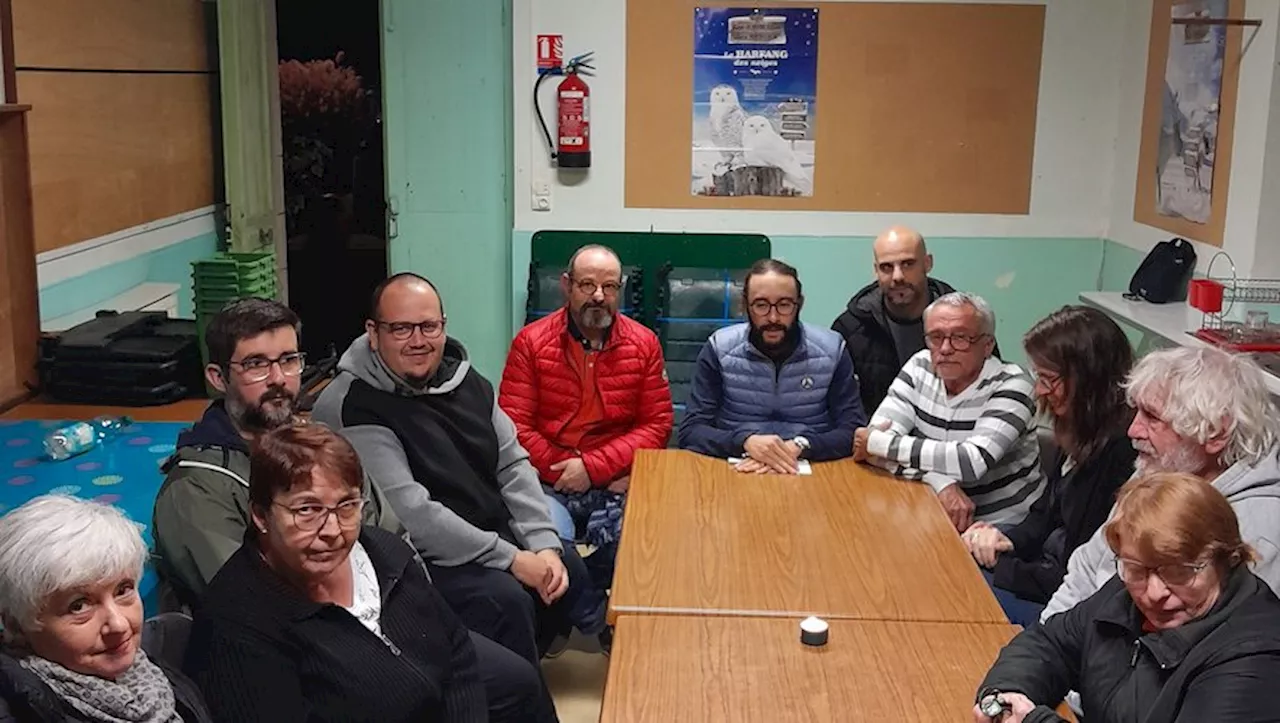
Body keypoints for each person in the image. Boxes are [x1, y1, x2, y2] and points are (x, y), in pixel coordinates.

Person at [313, 273, 609, 667]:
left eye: (428, 326)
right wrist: (512, 559)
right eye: (400, 328)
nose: (418, 341)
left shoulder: (467, 380)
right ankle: (510, 693)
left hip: (483, 528)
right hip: (419, 554)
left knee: (563, 562)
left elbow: (513, 465)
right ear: (373, 332)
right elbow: (413, 513)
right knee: (504, 599)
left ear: (443, 326)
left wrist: (542, 545)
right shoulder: (353, 404)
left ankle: (528, 665)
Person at [185, 423, 555, 723]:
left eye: (346, 506)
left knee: (523, 685)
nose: (332, 530)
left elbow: (456, 652)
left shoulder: (381, 552)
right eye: (307, 510)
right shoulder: (238, 626)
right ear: (261, 515)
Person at [152, 298, 400, 610]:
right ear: (218, 378)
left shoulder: (321, 448)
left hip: (382, 616)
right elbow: (252, 606)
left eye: (288, 360)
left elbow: (396, 544)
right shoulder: (195, 490)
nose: (278, 378)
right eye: (256, 364)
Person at [974, 473, 1280, 723]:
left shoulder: (1256, 656)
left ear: (1226, 561)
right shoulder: (1127, 591)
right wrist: (1003, 697)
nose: (1154, 593)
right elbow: (1049, 643)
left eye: (1178, 572)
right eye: (1136, 568)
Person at [1042, 345, 1280, 621]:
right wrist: (1048, 641)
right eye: (1137, 412)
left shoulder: (1255, 531)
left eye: (1152, 417)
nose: (1133, 430)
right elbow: (1086, 567)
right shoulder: (1160, 472)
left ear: (1215, 432)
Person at [499, 244, 672, 590]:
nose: (598, 296)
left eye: (609, 287)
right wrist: (568, 469)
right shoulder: (530, 343)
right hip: (549, 480)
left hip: (616, 480)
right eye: (587, 285)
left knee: (649, 542)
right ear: (566, 285)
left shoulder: (644, 344)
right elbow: (513, 427)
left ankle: (597, 604)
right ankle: (589, 612)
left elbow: (657, 424)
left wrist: (593, 468)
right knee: (550, 546)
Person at [963, 306, 1136, 627]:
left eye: (1049, 379)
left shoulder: (1120, 453)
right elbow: (1044, 514)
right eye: (1038, 376)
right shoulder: (1076, 426)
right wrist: (1006, 539)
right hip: (1042, 575)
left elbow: (1079, 572)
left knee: (963, 596)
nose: (1039, 389)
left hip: (1066, 603)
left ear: (1088, 379)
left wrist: (1003, 566)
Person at [0, 496, 212, 723]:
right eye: (79, 606)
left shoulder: (147, 673)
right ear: (16, 625)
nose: (119, 625)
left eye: (123, 590)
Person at [854, 292, 1044, 531]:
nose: (944, 348)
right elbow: (874, 449)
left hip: (1002, 525)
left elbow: (972, 462)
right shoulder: (920, 366)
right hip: (932, 507)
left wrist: (879, 444)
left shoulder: (1014, 384)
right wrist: (939, 481)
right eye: (936, 337)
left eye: (960, 338)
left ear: (988, 345)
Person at [677, 259, 866, 472]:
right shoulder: (719, 348)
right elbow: (691, 431)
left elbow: (854, 430)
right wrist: (745, 441)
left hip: (812, 467)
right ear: (744, 305)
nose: (773, 317)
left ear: (799, 305)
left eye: (784, 304)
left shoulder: (832, 349)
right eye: (761, 305)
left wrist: (801, 445)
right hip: (736, 468)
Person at [832, 226, 999, 413]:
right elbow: (842, 407)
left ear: (927, 263)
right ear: (876, 271)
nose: (898, 276)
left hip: (957, 434)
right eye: (886, 267)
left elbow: (991, 388)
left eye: (908, 264)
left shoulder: (969, 321)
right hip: (881, 434)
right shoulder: (851, 328)